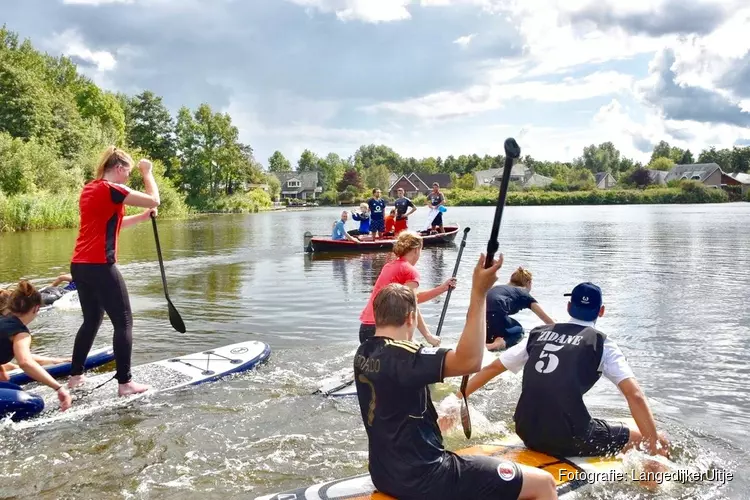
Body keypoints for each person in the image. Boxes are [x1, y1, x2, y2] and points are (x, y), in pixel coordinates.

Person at [353, 255, 557, 500]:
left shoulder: (363, 353)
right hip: (427, 477)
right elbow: (471, 361)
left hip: (384, 475)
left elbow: (393, 408)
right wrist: (479, 292)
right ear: (410, 318)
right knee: (544, 483)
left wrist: (432, 426)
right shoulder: (407, 355)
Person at [462, 282, 671, 462]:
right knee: (657, 439)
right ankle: (651, 487)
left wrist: (458, 398)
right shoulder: (602, 344)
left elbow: (493, 368)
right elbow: (634, 395)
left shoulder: (538, 334)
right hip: (570, 438)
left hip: (526, 431)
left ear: (569, 307)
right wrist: (652, 444)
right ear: (601, 311)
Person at [66, 146, 160, 397]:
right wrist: (147, 172)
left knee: (92, 320)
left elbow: (111, 224)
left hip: (79, 265)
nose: (128, 178)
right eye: (128, 173)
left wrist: (141, 217)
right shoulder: (113, 188)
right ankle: (125, 383)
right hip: (99, 265)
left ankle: (75, 377)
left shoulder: (90, 188)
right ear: (118, 169)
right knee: (124, 320)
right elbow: (154, 200)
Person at [358, 231, 456, 346]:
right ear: (416, 250)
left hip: (366, 328)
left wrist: (442, 289)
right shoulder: (410, 271)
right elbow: (412, 304)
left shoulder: (389, 266)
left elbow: (413, 298)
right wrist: (429, 337)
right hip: (386, 331)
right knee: (418, 354)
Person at [0, 281, 72, 413]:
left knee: (14, 389)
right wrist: (59, 388)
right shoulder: (20, 332)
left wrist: (55, 361)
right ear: (36, 308)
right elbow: (25, 362)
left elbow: (20, 355)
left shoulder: (3, 322)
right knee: (33, 403)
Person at [486, 267, 554, 351]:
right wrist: (561, 331)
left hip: (477, 315)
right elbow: (547, 320)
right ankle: (495, 345)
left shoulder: (497, 288)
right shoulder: (523, 294)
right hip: (496, 314)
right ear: (529, 283)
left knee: (491, 331)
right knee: (519, 331)